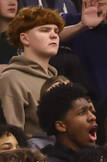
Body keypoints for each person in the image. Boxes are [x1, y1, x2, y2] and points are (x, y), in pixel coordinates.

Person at [0, 7, 62, 139]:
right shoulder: (11, 78)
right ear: (24, 38)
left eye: (56, 31)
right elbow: (14, 137)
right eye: (44, 30)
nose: (54, 35)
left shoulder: (60, 80)